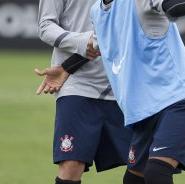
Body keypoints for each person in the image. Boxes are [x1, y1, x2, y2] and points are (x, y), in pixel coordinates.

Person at [89, 0, 185, 184]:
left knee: (156, 173)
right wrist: (64, 68)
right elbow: (95, 45)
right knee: (133, 179)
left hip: (179, 99)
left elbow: (169, 4)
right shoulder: (96, 11)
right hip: (145, 110)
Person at [35, 0, 132, 184]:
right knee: (71, 166)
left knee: (143, 166)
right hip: (77, 83)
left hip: (124, 83)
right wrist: (80, 43)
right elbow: (45, 26)